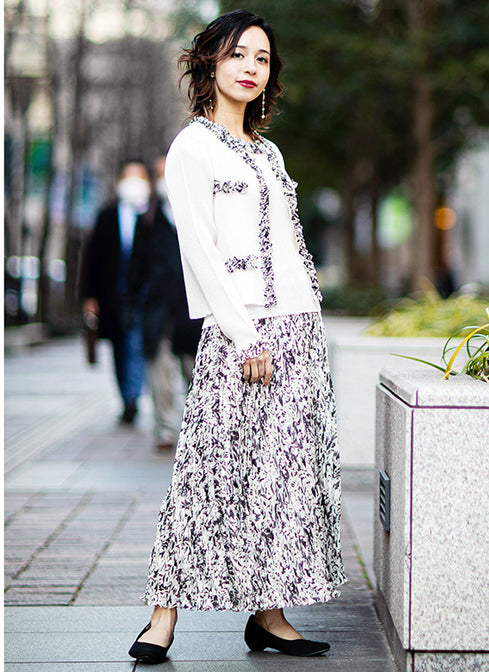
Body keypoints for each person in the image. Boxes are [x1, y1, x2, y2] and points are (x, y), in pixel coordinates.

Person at [129, 10, 345, 665]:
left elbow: (289, 247)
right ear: (210, 62)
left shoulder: (268, 152)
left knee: (281, 477)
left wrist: (305, 325)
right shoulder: (191, 148)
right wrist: (246, 336)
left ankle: (269, 616)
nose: (252, 67)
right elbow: (199, 251)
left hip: (298, 329)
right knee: (208, 471)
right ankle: (162, 617)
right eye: (238, 54)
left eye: (262, 58)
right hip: (239, 332)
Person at [128, 156, 202, 449]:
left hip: (193, 313)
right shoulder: (148, 220)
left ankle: (199, 430)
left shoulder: (198, 212)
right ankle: (166, 428)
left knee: (196, 373)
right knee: (159, 373)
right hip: (158, 312)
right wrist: (130, 306)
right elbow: (136, 269)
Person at [82, 160, 151, 424]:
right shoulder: (107, 215)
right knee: (119, 347)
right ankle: (126, 396)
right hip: (113, 296)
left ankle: (133, 396)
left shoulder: (153, 215)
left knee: (136, 344)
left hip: (143, 296)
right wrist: (89, 297)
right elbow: (92, 259)